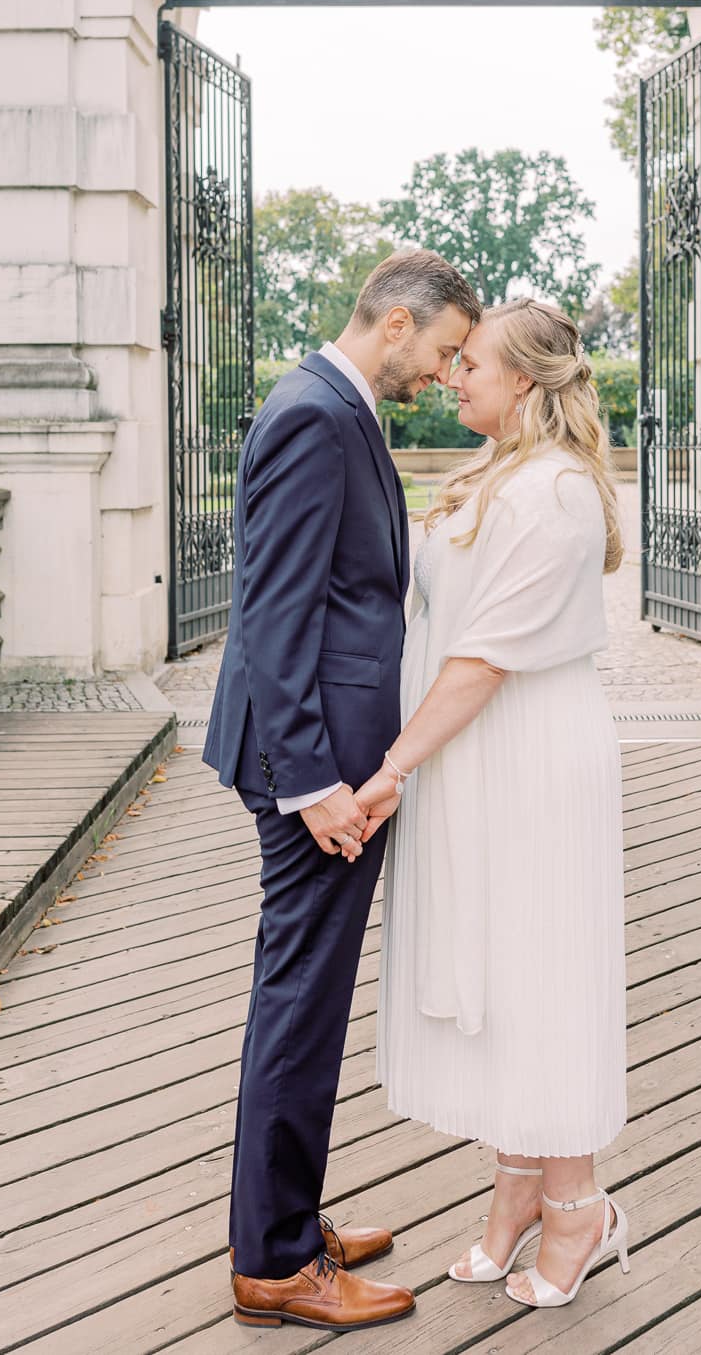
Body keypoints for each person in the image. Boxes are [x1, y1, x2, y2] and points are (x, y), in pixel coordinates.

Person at [202, 249, 481, 1332]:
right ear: (399, 324)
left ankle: (287, 1217)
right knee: (299, 1006)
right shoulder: (317, 414)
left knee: (303, 1000)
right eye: (447, 349)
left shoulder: (337, 404)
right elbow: (273, 615)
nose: (446, 373)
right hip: (307, 771)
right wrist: (315, 782)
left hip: (325, 760)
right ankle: (274, 1262)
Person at [357, 297, 630, 1311]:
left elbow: (482, 661)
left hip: (530, 759)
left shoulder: (552, 492)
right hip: (477, 759)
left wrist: (393, 767)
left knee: (543, 976)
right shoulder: (493, 474)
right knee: (503, 981)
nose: (452, 375)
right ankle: (516, 1193)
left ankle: (578, 1207)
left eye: (470, 362)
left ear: (523, 380)